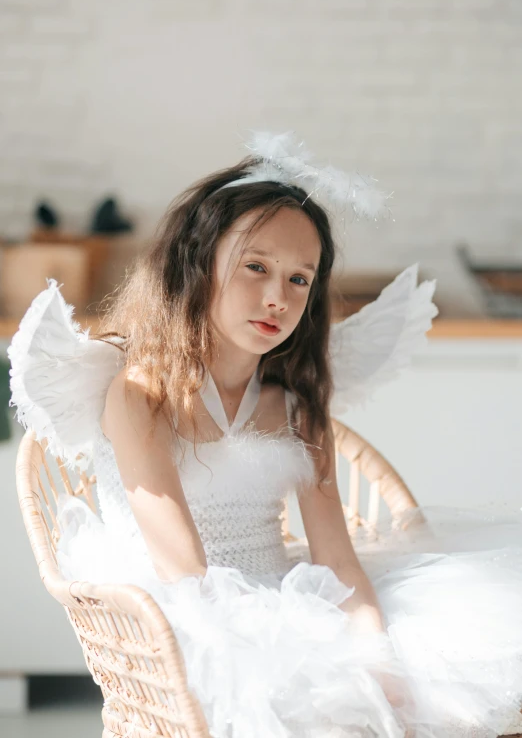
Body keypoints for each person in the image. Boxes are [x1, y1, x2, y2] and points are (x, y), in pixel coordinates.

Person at [9, 133, 522, 738]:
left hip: (287, 597)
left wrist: (382, 668)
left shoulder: (296, 407)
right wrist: (277, 650)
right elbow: (184, 570)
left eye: (300, 279)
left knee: (431, 674)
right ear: (199, 262)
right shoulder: (141, 393)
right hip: (183, 623)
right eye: (256, 267)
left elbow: (338, 560)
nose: (277, 297)